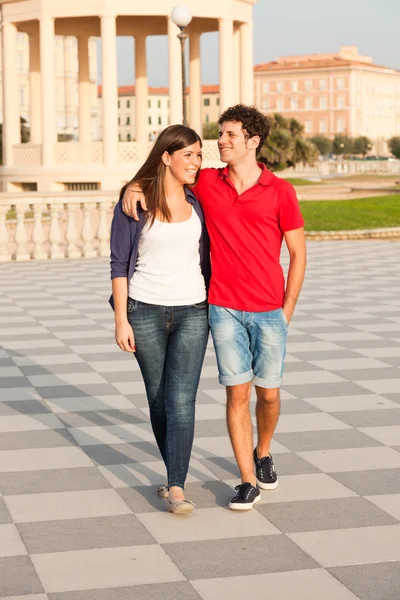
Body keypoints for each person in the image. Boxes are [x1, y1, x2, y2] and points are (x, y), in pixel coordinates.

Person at [122, 105, 306, 511]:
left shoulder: (280, 191)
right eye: (219, 134)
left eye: (229, 135)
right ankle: (246, 480)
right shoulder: (207, 182)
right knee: (236, 393)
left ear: (252, 142)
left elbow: (298, 253)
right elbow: (165, 169)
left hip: (269, 310)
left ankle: (263, 451)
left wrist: (287, 309)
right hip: (221, 307)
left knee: (269, 396)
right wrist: (132, 186)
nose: (219, 141)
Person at [110, 125, 211, 514]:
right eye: (189, 155)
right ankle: (173, 477)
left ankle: (176, 486)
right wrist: (121, 320)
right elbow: (119, 264)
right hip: (144, 310)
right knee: (158, 399)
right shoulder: (136, 203)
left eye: (200, 155)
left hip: (193, 310)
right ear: (167, 157)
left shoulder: (197, 199)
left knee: (182, 400)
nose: (197, 162)